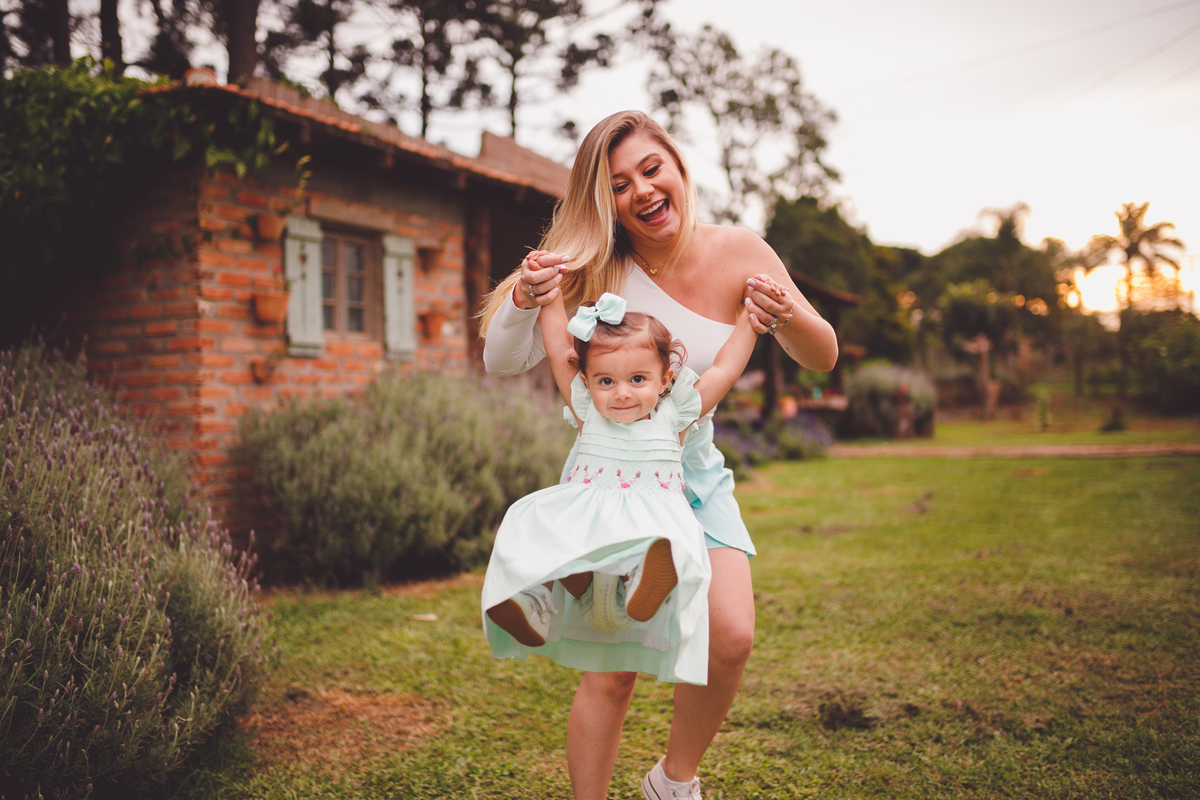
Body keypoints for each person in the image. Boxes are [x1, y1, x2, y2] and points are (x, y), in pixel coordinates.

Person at [478, 110, 838, 800]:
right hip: (614, 479)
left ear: (675, 167)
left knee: (731, 635)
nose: (641, 190)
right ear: (603, 202)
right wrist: (527, 297)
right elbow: (508, 358)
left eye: (650, 169)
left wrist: (780, 314)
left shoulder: (740, 251)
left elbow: (820, 353)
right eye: (619, 184)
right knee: (614, 668)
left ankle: (672, 783)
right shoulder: (598, 268)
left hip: (693, 473)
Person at [481, 287, 766, 688]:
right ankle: (534, 603)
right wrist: (550, 298)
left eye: (637, 378)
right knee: (532, 524)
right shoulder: (586, 408)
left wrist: (750, 321)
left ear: (666, 378)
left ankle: (640, 587)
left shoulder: (677, 415)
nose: (622, 393)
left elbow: (725, 369)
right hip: (589, 517)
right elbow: (560, 346)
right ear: (586, 380)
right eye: (606, 380)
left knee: (655, 547)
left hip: (649, 523)